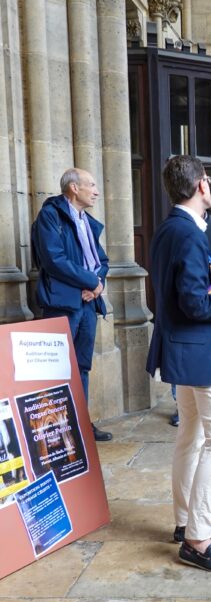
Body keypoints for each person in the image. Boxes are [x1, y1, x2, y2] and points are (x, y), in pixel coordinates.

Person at [146, 155, 211, 573]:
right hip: (197, 350)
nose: (210, 186)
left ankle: (186, 520)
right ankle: (197, 539)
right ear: (201, 186)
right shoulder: (188, 234)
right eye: (208, 180)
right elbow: (193, 304)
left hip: (181, 348)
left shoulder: (169, 228)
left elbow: (179, 290)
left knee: (191, 435)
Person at [31, 168, 112, 442]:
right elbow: (54, 260)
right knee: (57, 371)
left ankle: (80, 426)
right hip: (62, 304)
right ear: (74, 188)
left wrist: (97, 284)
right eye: (92, 185)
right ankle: (56, 432)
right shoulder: (50, 215)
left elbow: (102, 260)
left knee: (82, 367)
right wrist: (91, 281)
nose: (97, 191)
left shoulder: (86, 220)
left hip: (88, 303)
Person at [168, 209, 211, 428]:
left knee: (191, 430)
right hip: (194, 303)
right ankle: (180, 406)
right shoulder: (182, 228)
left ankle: (192, 410)